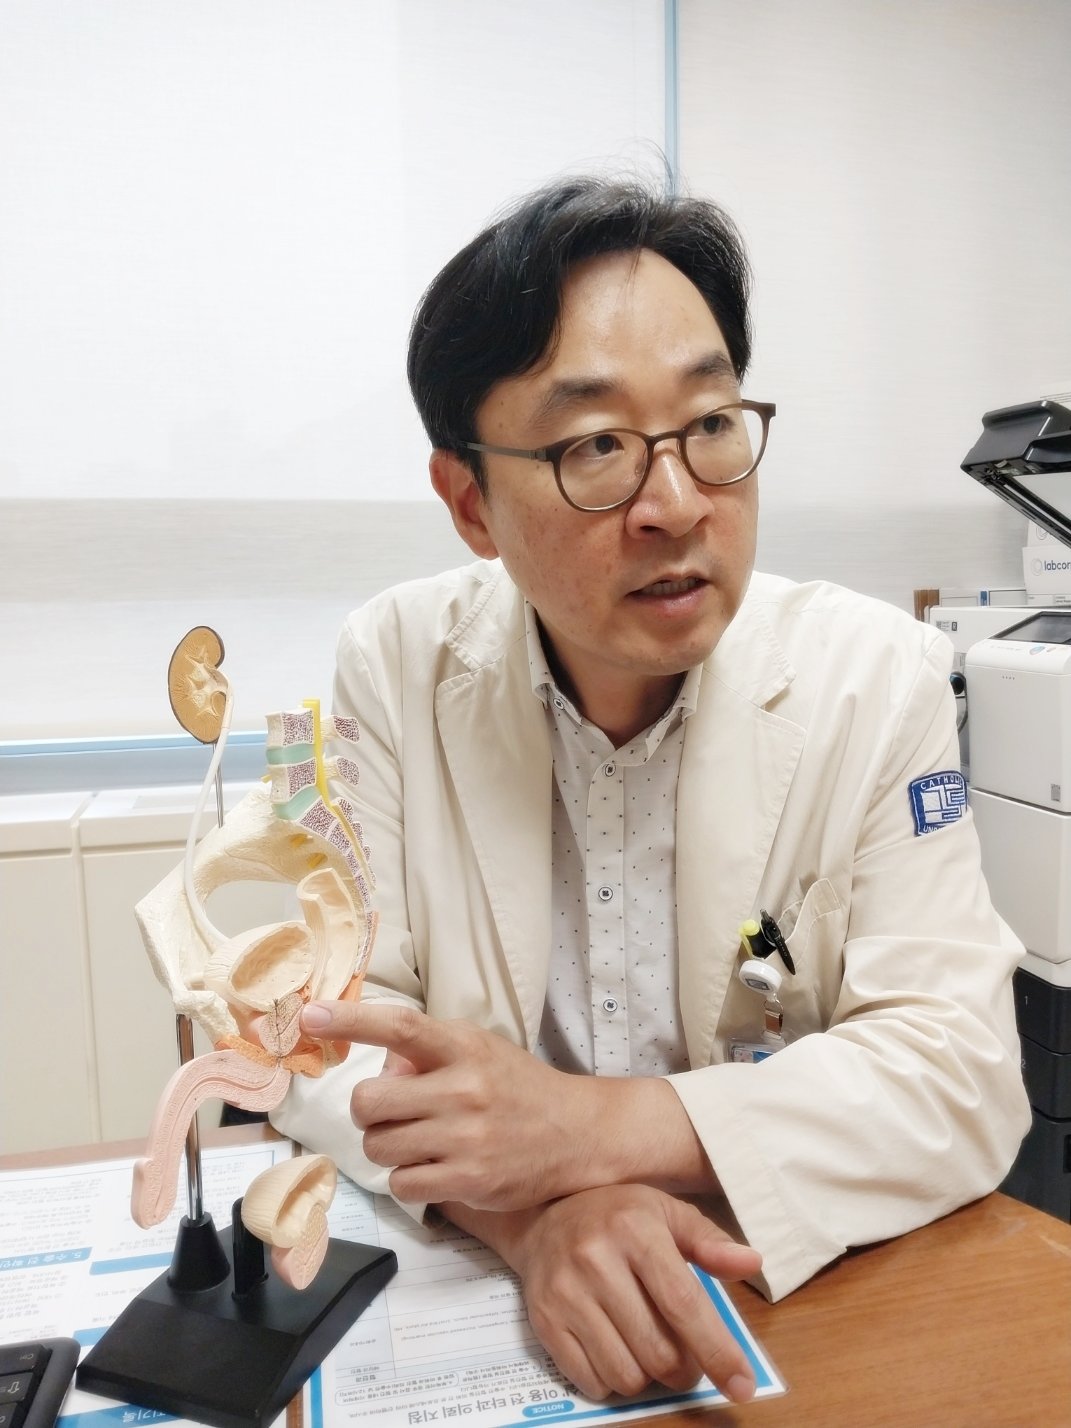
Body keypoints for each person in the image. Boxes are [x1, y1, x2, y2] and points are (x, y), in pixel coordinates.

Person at [272, 176, 1030, 1404]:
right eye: (595, 448)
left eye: (710, 423)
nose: (676, 506)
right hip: (506, 1313)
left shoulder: (874, 676)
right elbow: (323, 1027)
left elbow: (958, 1072)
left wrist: (583, 1132)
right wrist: (533, 1218)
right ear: (470, 502)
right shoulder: (396, 660)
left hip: (803, 1301)